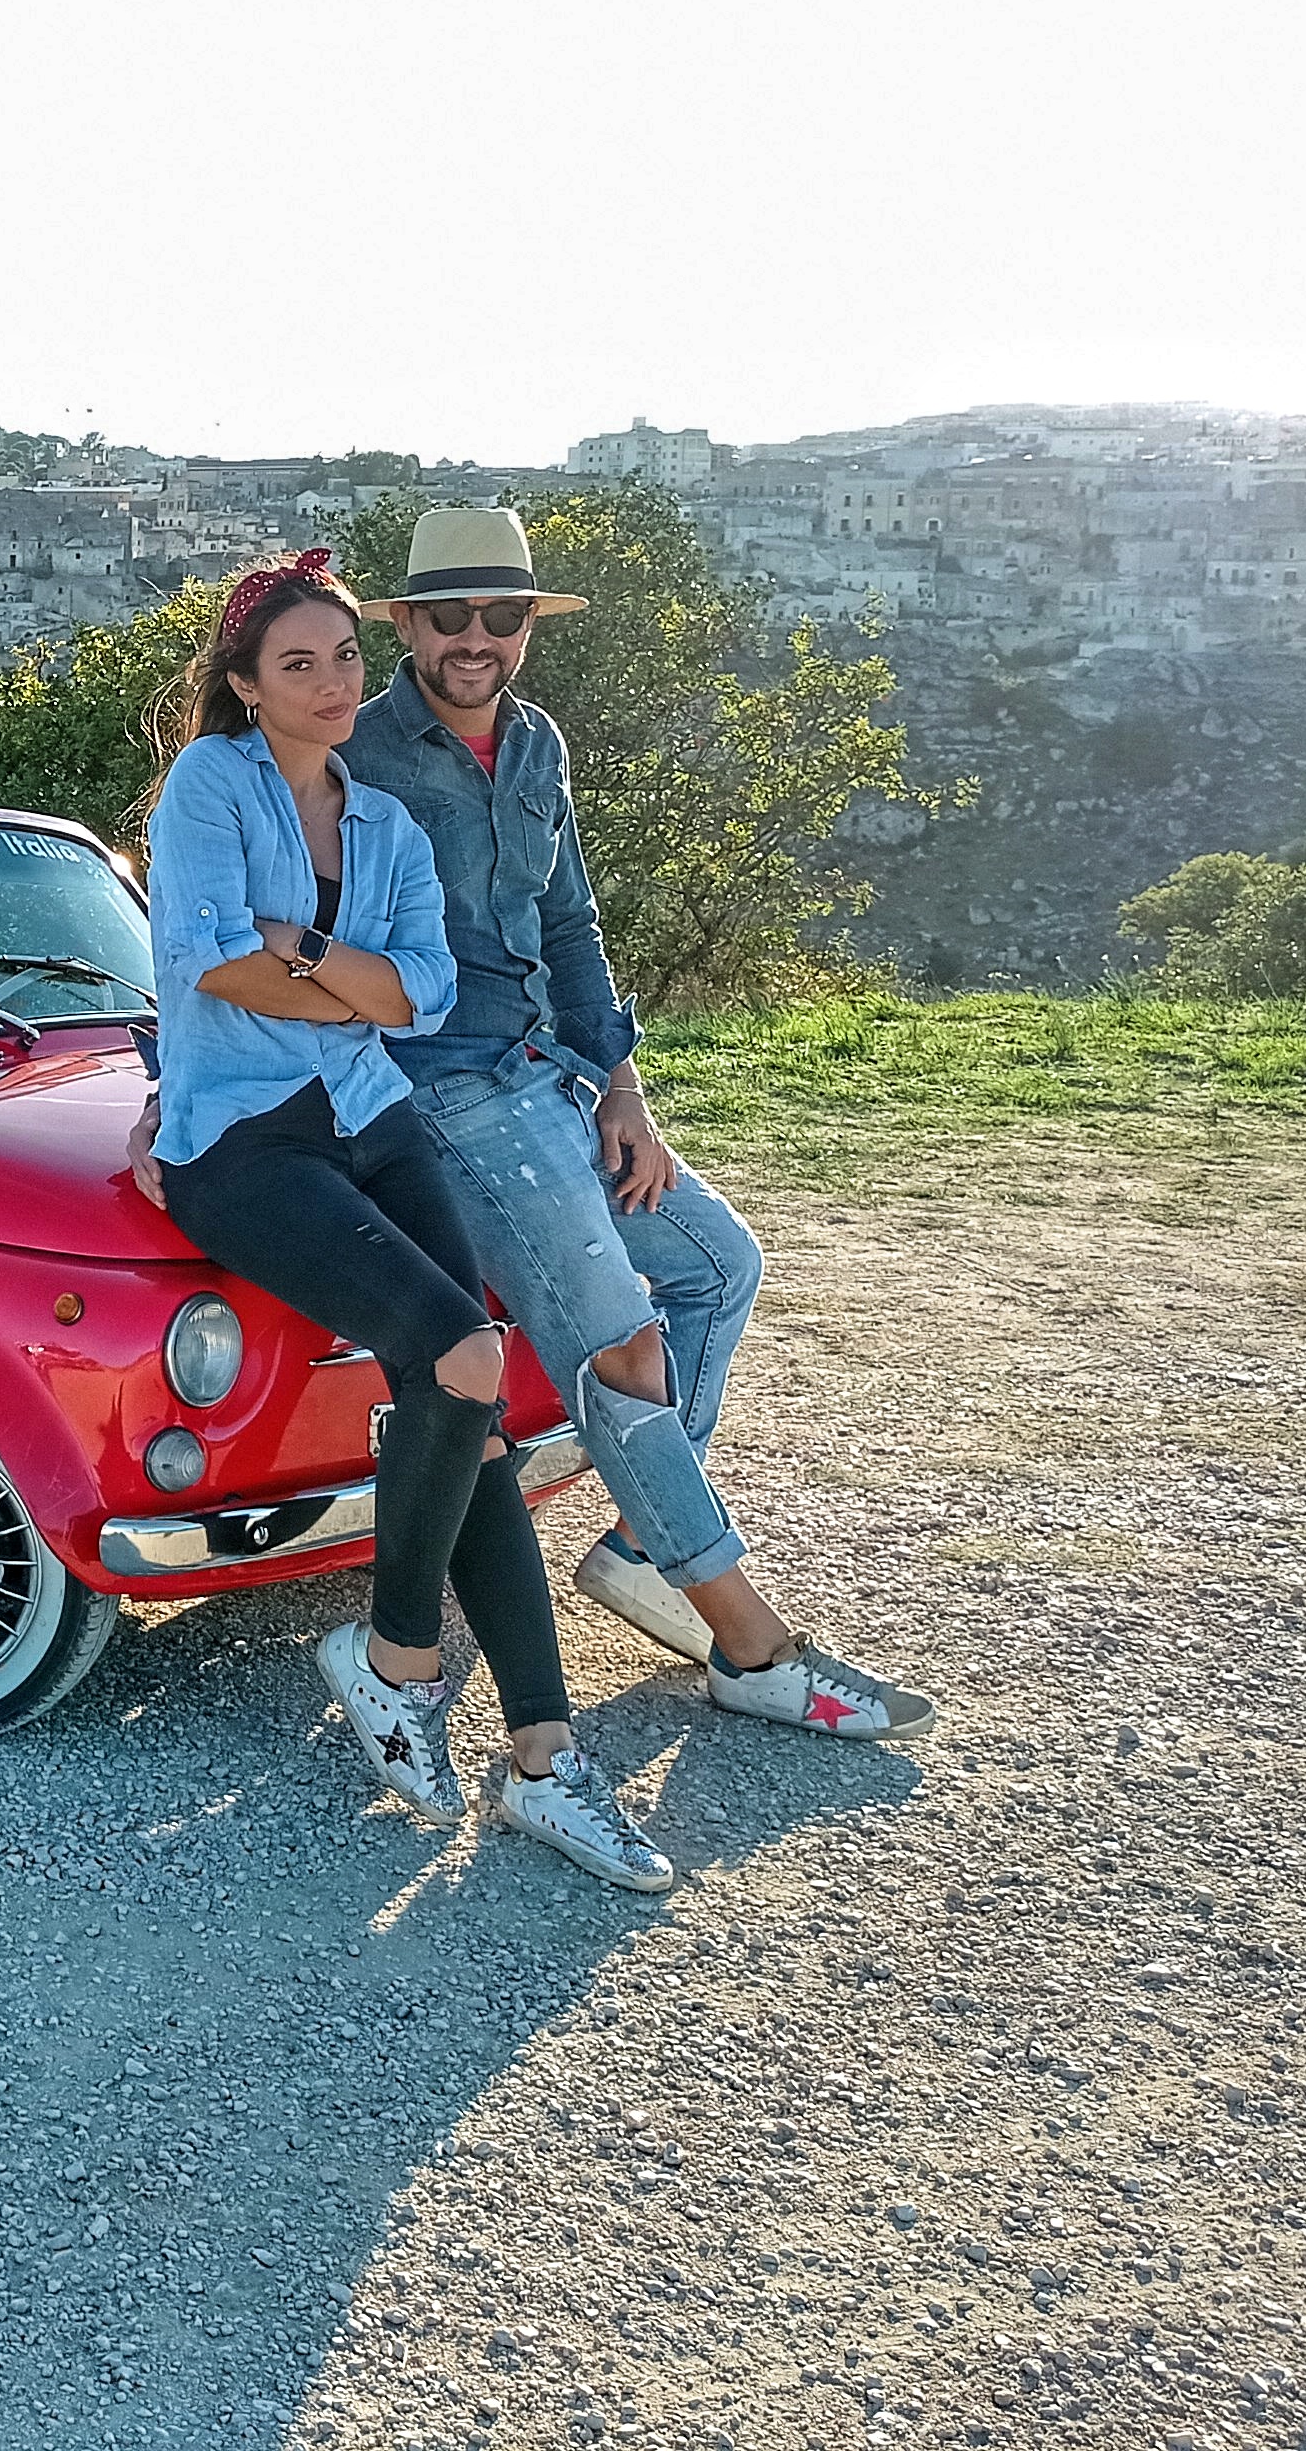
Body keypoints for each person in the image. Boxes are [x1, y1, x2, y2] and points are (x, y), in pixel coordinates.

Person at [340, 504, 932, 1736]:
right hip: (436, 1090)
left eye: (502, 617)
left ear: (526, 629)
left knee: (717, 1266)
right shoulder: (359, 752)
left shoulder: (536, 742)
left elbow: (570, 926)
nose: (476, 639)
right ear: (404, 624)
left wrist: (625, 1086)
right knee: (617, 1343)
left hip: (548, 1072)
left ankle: (639, 1550)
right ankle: (753, 1647)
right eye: (449, 615)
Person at [140, 548, 675, 1891]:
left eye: (342, 659)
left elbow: (423, 996)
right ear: (247, 689)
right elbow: (214, 957)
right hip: (244, 1142)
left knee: (473, 1402)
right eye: (298, 664)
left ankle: (544, 1760)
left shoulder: (381, 822)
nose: (332, 684)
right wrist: (334, 979)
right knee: (466, 1355)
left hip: (373, 1114)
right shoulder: (213, 785)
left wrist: (304, 956)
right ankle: (396, 1663)